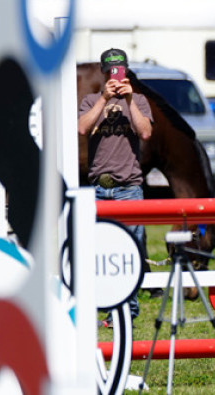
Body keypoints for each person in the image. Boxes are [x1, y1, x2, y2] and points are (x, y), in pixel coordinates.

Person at [78, 48, 153, 323]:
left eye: (119, 70)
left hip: (128, 188)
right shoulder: (90, 101)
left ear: (126, 70)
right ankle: (104, 307)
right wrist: (104, 99)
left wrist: (129, 99)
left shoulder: (140, 101)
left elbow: (145, 131)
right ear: (103, 72)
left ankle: (127, 312)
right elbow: (82, 128)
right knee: (98, 251)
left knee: (129, 252)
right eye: (110, 71)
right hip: (98, 188)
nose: (115, 76)